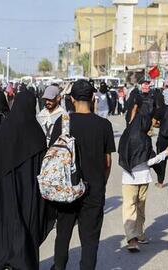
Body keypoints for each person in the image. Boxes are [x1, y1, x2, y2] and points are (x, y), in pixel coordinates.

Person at [0, 91, 55, 270]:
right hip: (28, 194)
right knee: (27, 229)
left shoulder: (3, 133)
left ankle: (2, 262)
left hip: (1, 195)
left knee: (1, 229)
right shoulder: (37, 134)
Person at [49, 79, 115, 270]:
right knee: (90, 239)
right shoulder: (104, 125)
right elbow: (108, 162)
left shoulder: (62, 123)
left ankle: (59, 267)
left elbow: (52, 156)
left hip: (66, 188)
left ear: (71, 99)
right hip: (93, 189)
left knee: (63, 234)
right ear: (93, 97)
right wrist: (101, 183)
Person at [118, 111, 168, 252]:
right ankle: (136, 237)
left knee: (130, 207)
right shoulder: (144, 139)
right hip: (143, 179)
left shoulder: (126, 135)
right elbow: (149, 161)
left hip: (128, 179)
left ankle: (134, 237)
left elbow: (122, 154)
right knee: (139, 207)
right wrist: (165, 153)